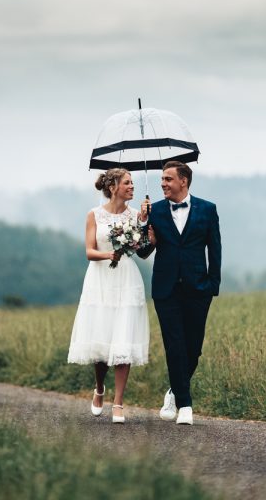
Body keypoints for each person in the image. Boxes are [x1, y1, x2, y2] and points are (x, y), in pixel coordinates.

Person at [138, 160, 221, 425]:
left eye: (168, 179)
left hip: (198, 288)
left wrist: (212, 286)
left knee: (193, 349)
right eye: (162, 179)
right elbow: (142, 251)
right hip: (166, 288)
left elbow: (215, 250)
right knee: (174, 345)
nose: (163, 183)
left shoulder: (208, 210)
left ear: (183, 181)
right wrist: (143, 227)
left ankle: (174, 391)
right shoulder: (155, 211)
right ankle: (185, 406)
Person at [68, 168, 150, 424]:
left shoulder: (136, 215)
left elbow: (145, 246)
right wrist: (109, 255)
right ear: (113, 186)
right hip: (100, 279)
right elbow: (89, 251)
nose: (132, 187)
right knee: (102, 340)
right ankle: (100, 387)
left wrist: (145, 222)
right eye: (127, 183)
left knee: (123, 339)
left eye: (133, 183)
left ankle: (118, 403)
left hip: (126, 279)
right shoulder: (94, 215)